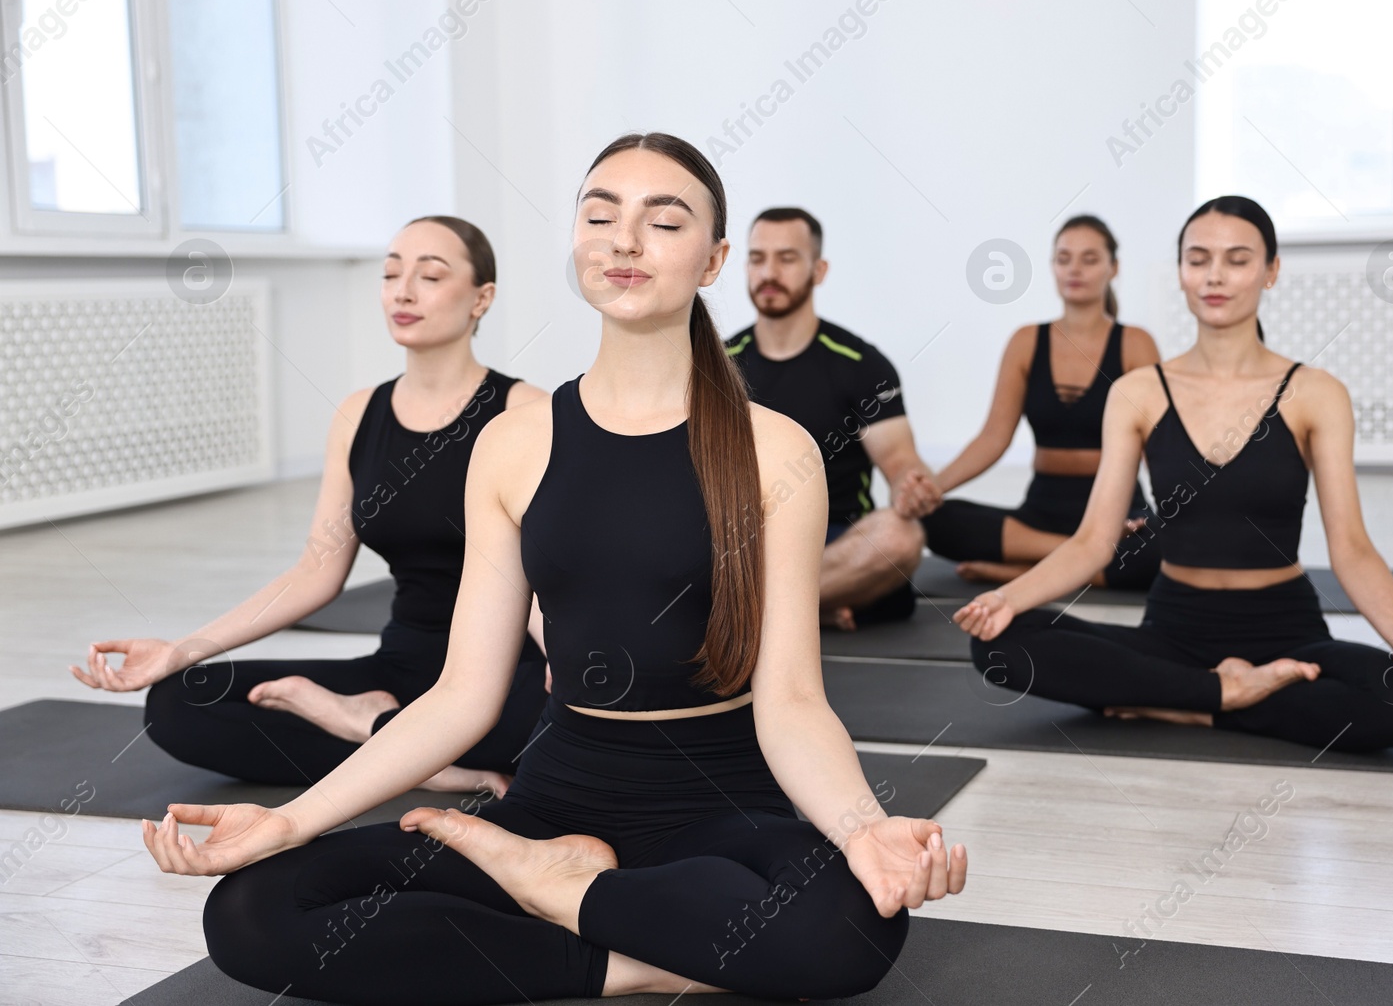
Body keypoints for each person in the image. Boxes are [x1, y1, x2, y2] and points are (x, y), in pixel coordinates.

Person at [141, 132, 967, 1003]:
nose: (623, 239)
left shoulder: (774, 450)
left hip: (723, 802)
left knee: (851, 924)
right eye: (600, 214)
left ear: (714, 259)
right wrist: (285, 820)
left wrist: (866, 828)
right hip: (553, 797)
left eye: (663, 220)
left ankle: (565, 893)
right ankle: (619, 951)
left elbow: (793, 701)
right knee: (256, 908)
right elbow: (464, 692)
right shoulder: (514, 443)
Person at [952, 196, 1393, 753]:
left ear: (1271, 272)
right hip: (1175, 630)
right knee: (997, 644)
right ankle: (1219, 693)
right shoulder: (1138, 392)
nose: (1215, 276)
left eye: (1237, 260)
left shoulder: (1316, 394)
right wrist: (1008, 598)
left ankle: (1188, 705)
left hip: (1286, 632)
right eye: (1198, 259)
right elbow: (1095, 541)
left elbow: (1352, 547)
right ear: (1182, 273)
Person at [72, 217, 549, 794]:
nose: (402, 291)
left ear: (482, 298)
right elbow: (316, 572)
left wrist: (566, 659)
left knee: (579, 727)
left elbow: (554, 565)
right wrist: (180, 650)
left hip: (502, 675)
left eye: (430, 275)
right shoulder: (357, 415)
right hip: (401, 668)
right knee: (179, 704)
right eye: (391, 273)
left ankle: (374, 730)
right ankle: (410, 747)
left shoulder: (525, 411)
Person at [922, 215, 1163, 590]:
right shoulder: (1026, 341)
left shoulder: (1135, 343)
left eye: (1089, 258)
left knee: (1166, 546)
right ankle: (1081, 560)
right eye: (1064, 258)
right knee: (936, 521)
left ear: (1113, 268)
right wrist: (933, 489)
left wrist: (1180, 510)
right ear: (1052, 266)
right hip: (1041, 516)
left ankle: (1028, 571)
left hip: (1117, 512)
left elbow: (1157, 443)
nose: (1075, 269)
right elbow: (993, 438)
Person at [725, 206, 939, 630]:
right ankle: (817, 607)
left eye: (786, 259)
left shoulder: (862, 364)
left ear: (818, 270)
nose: (769, 272)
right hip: (748, 543)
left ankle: (751, 615)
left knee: (901, 536)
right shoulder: (719, 364)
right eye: (757, 258)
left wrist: (911, 484)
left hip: (837, 540)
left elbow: (899, 461)